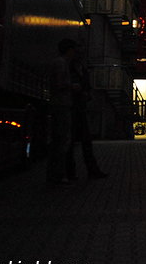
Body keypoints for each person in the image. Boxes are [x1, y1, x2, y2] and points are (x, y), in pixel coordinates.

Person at [66, 43, 108, 180]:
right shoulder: (71, 68)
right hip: (72, 106)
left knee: (85, 141)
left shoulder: (81, 69)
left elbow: (87, 86)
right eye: (79, 53)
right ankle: (72, 172)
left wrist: (86, 94)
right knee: (72, 142)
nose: (81, 55)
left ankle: (90, 170)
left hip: (79, 107)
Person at [46, 38, 79, 186]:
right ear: (69, 50)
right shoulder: (61, 63)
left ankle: (55, 174)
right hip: (61, 105)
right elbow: (59, 83)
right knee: (62, 141)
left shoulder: (60, 63)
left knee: (58, 140)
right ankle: (58, 175)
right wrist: (73, 86)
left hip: (59, 104)